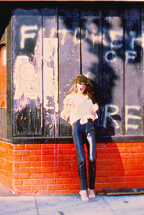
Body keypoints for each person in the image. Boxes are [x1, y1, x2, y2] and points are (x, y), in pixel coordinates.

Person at [60, 74, 99, 202]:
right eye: (79, 84)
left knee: (92, 158)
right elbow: (64, 115)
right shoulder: (70, 97)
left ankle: (91, 188)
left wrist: (95, 110)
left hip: (89, 126)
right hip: (77, 126)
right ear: (75, 85)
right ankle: (83, 189)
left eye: (83, 84)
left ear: (86, 86)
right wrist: (68, 108)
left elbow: (93, 115)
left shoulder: (89, 98)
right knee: (81, 159)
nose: (81, 86)